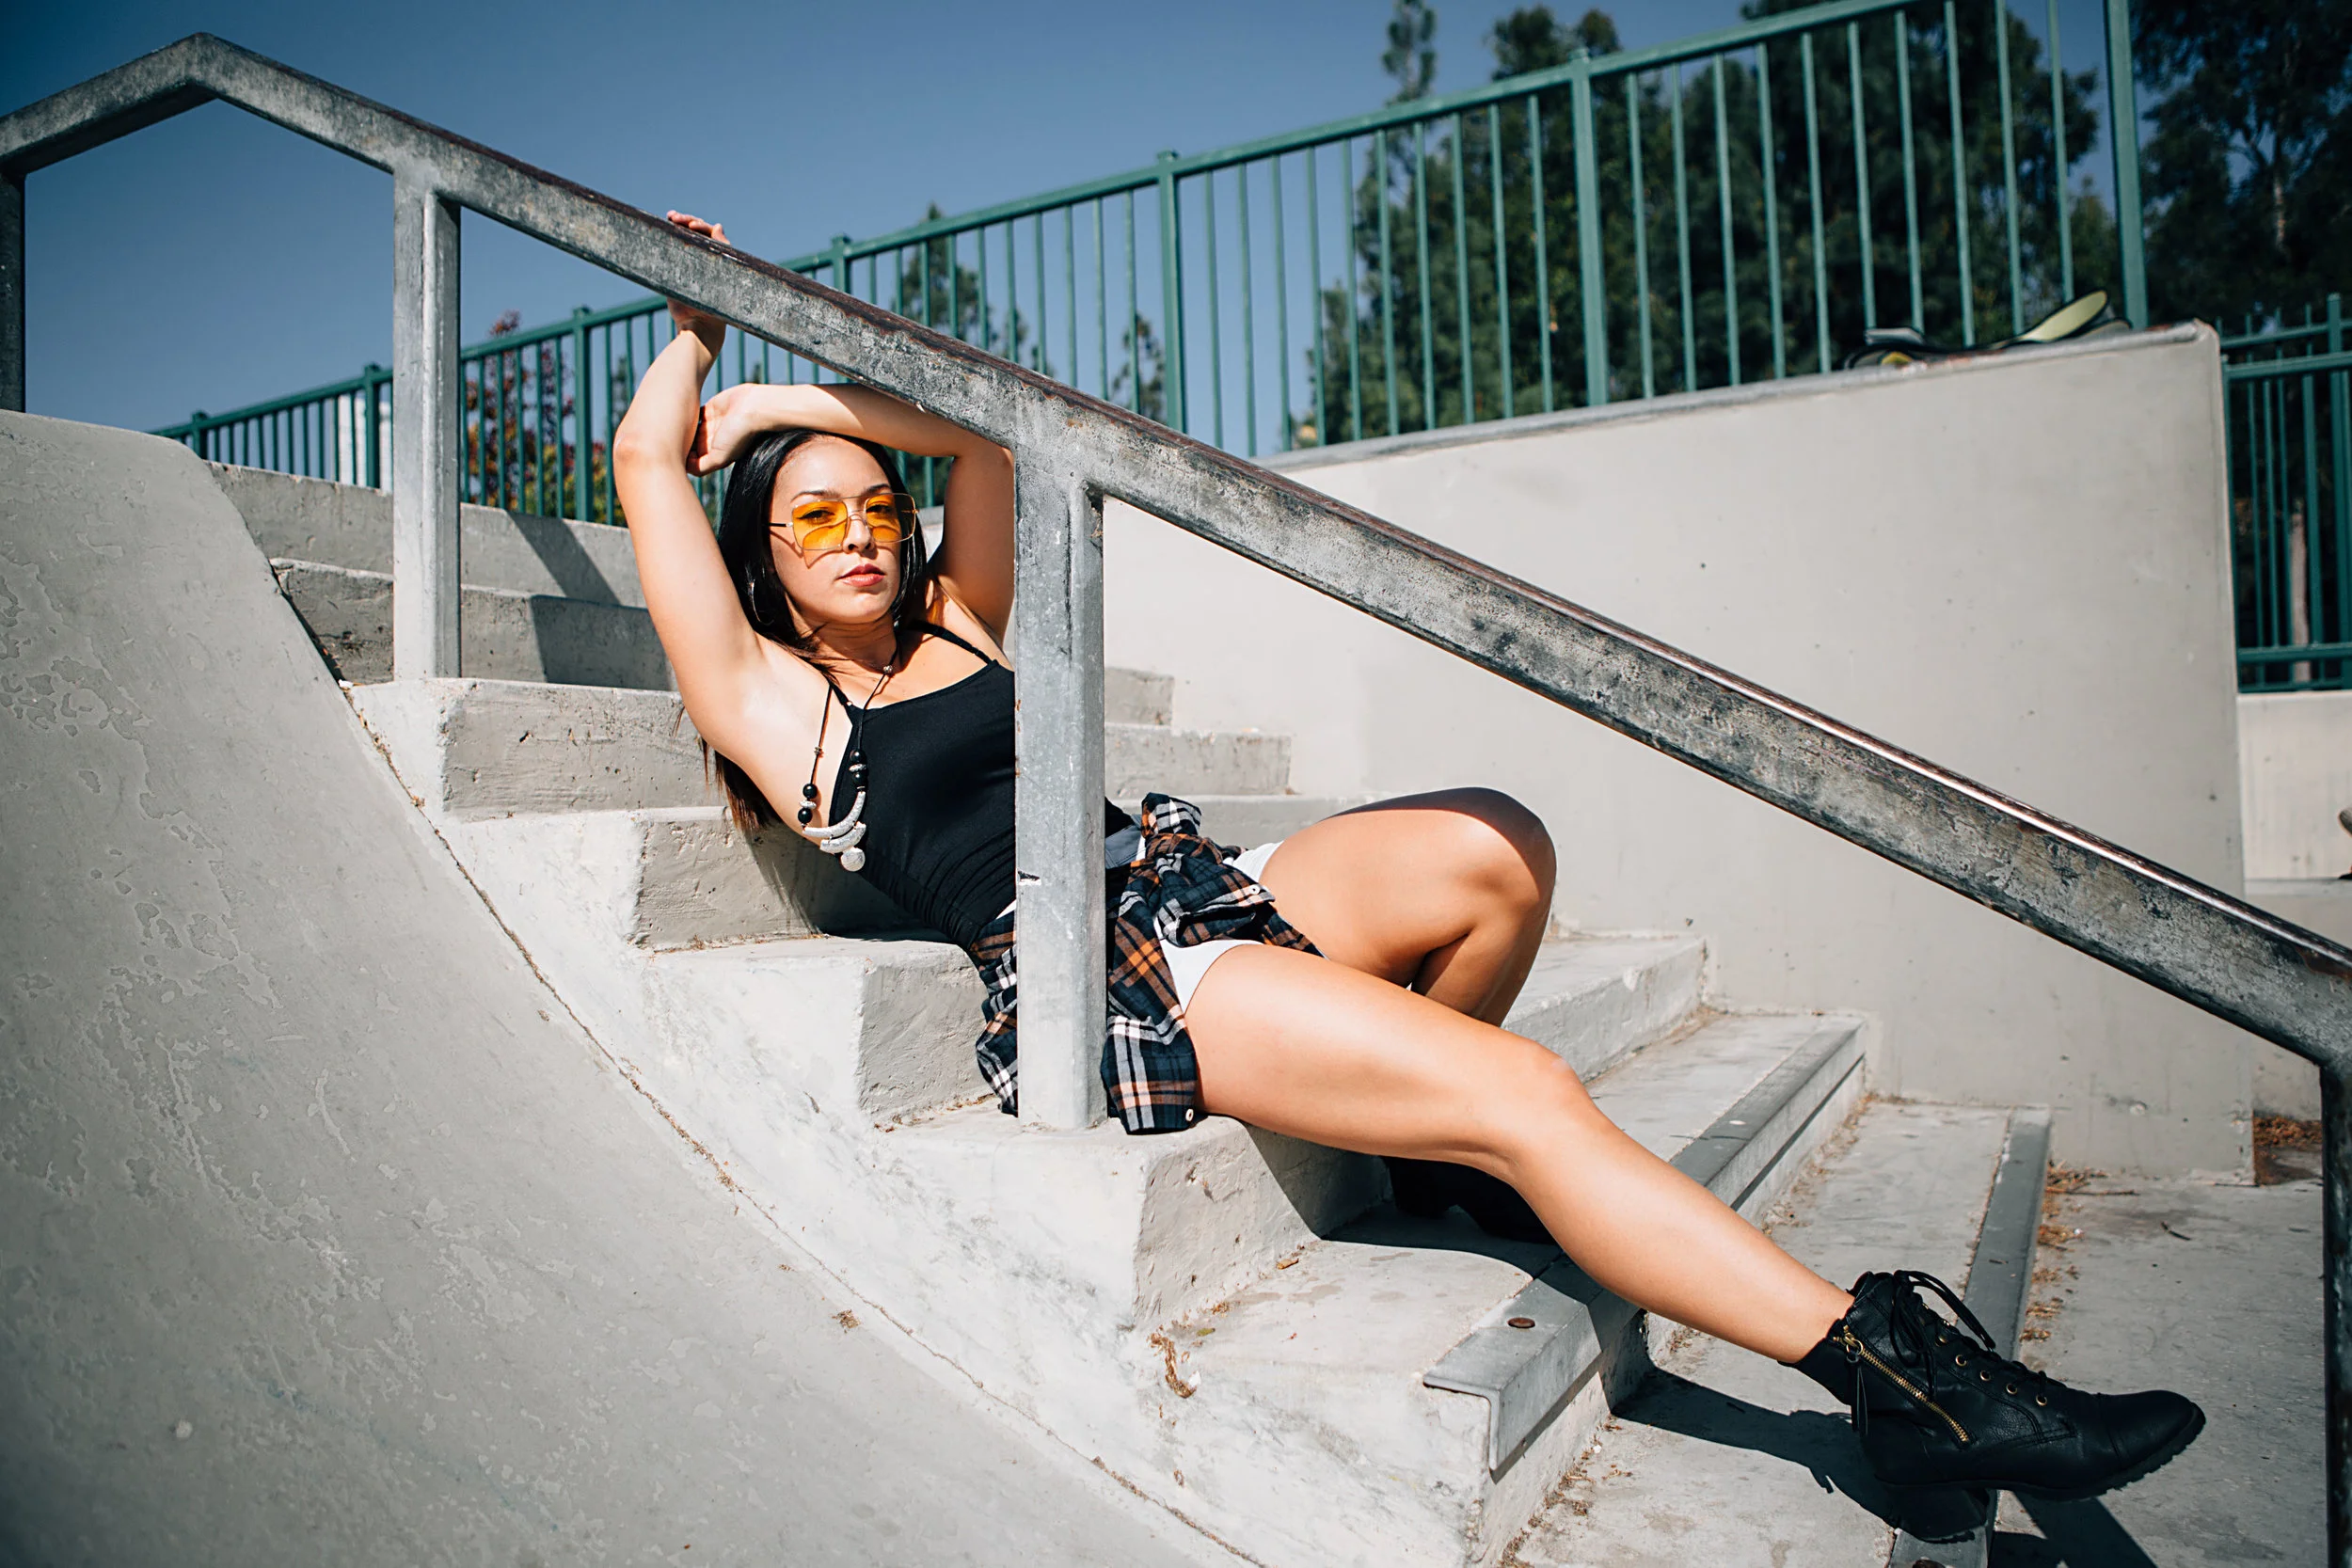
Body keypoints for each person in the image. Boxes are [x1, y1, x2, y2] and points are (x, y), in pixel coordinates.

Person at [612, 213, 2204, 1508]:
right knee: (1532, 1094)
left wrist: (801, 407)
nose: (862, 534)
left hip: (1188, 879)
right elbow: (640, 470)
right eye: (814, 523)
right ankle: (1909, 1387)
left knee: (1499, 848)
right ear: (762, 556)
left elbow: (990, 430)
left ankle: (1432, 1145)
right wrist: (696, 338)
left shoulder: (961, 618)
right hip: (1114, 971)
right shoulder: (782, 711)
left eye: (874, 508)